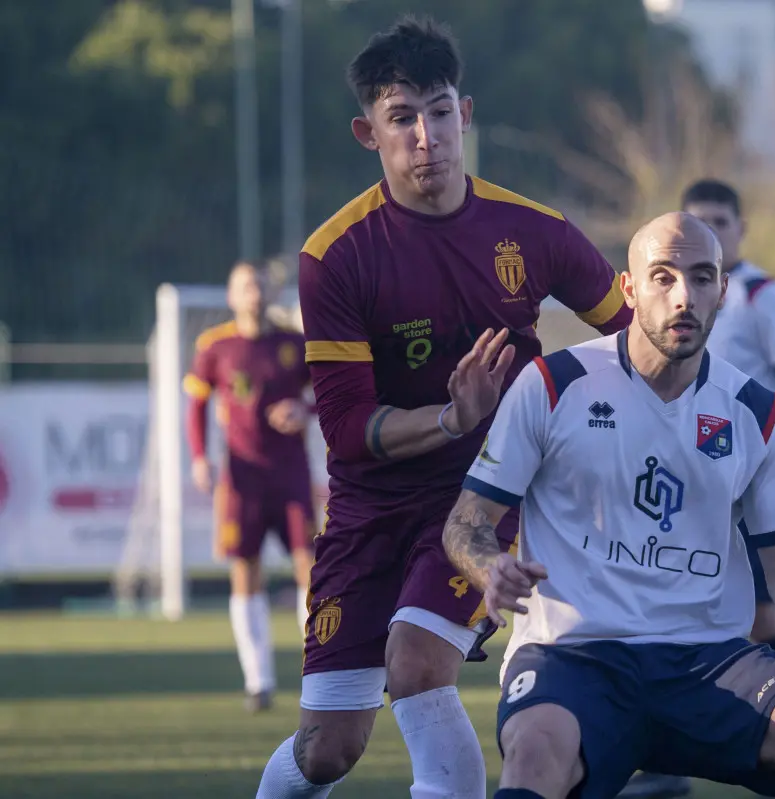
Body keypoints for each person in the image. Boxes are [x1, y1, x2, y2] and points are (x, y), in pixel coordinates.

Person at [254, 15, 631, 799]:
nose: (425, 135)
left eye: (437, 111)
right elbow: (351, 433)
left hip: (480, 500)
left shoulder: (536, 232)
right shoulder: (335, 257)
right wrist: (450, 418)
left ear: (464, 113)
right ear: (369, 132)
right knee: (328, 749)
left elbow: (636, 338)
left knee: (419, 662)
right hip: (367, 512)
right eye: (402, 118)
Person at [443, 212, 775, 799]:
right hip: (573, 656)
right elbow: (465, 523)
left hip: (708, 660)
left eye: (703, 278)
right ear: (629, 290)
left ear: (722, 291)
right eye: (663, 277)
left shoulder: (755, 411)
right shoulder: (553, 384)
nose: (684, 297)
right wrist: (488, 568)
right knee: (535, 753)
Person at [619, 178, 775, 799]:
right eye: (699, 217)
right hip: (687, 482)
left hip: (745, 474)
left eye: (721, 219)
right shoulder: (671, 297)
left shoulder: (765, 296)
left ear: (739, 229)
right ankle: (672, 757)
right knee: (699, 608)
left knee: (762, 617)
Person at [184, 261, 315, 713]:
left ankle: (316, 671)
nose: (253, 293)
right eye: (244, 286)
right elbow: (196, 407)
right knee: (246, 572)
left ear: (268, 294)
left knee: (312, 568)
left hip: (292, 474)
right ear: (231, 296)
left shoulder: (293, 345)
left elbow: (328, 393)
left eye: (258, 285)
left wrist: (305, 412)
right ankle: (258, 682)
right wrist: (200, 458)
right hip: (243, 480)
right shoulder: (214, 347)